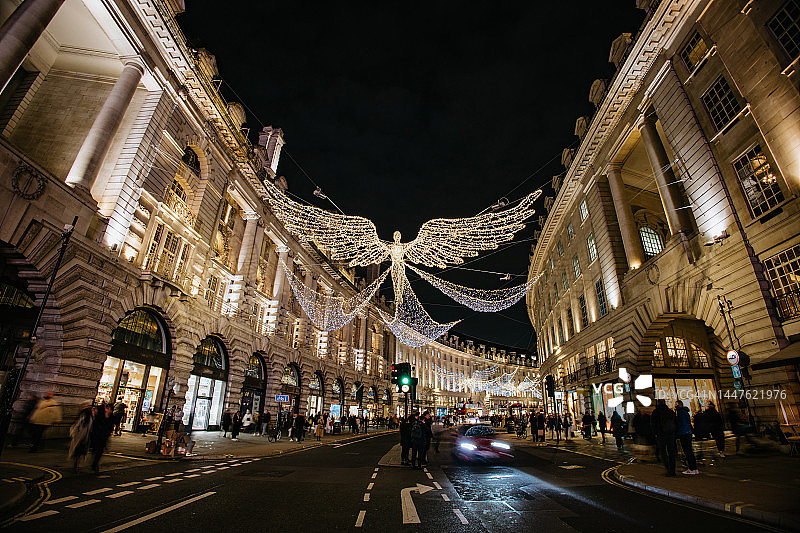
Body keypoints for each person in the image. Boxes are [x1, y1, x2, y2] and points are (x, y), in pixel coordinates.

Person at [651, 399, 678, 476]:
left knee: (663, 452)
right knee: (671, 452)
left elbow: (653, 424)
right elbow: (676, 422)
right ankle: (673, 470)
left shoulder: (656, 412)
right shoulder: (670, 411)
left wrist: (655, 433)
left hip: (661, 434)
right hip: (671, 434)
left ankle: (668, 469)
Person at [675, 400, 699, 475]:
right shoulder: (685, 412)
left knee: (687, 451)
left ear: (678, 405)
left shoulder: (680, 412)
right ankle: (694, 468)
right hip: (688, 433)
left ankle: (691, 469)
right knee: (689, 451)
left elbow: (682, 424)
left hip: (684, 433)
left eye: (676, 405)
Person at [69, 401, 93, 473]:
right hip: (81, 437)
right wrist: (73, 434)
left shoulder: (88, 417)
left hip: (84, 437)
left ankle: (76, 465)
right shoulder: (85, 417)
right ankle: (76, 466)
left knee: (80, 452)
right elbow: (76, 426)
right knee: (78, 451)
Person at [90, 402, 113, 473]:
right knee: (96, 451)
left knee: (99, 451)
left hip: (103, 437)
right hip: (97, 436)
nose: (110, 411)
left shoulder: (111, 417)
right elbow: (95, 425)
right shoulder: (100, 415)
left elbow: (110, 427)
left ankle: (95, 465)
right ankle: (94, 464)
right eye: (110, 409)